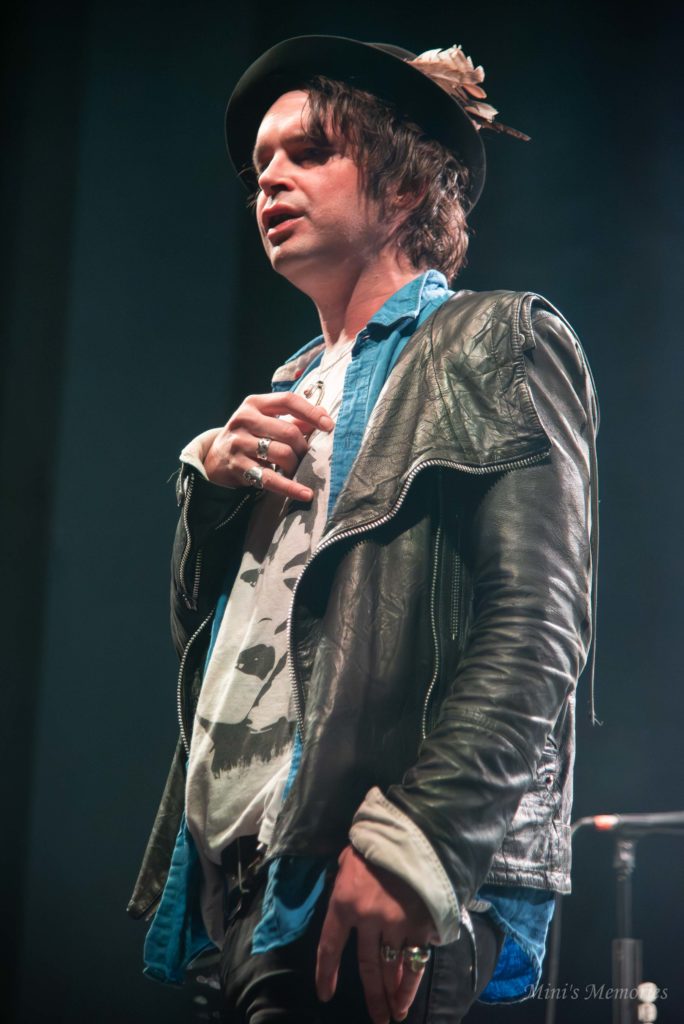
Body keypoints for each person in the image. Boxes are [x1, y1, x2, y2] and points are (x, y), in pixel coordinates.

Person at [128, 35, 599, 1024]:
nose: (270, 180)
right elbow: (214, 659)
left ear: (405, 185)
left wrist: (418, 843)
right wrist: (208, 494)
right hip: (241, 890)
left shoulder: (495, 338)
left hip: (362, 878)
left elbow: (539, 621)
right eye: (260, 166)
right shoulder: (286, 394)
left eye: (308, 153)